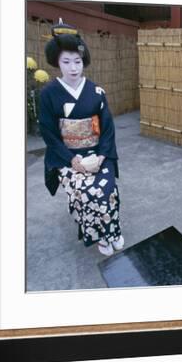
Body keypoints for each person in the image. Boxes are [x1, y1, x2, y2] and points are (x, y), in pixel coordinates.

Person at [39, 20, 123, 256]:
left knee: (107, 188)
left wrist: (103, 155)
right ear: (57, 61)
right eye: (66, 62)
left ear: (83, 61)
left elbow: (108, 128)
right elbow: (49, 133)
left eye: (77, 61)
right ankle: (100, 236)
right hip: (66, 156)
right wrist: (71, 160)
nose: (73, 68)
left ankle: (113, 231)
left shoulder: (96, 91)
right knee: (85, 192)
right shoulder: (48, 94)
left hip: (97, 152)